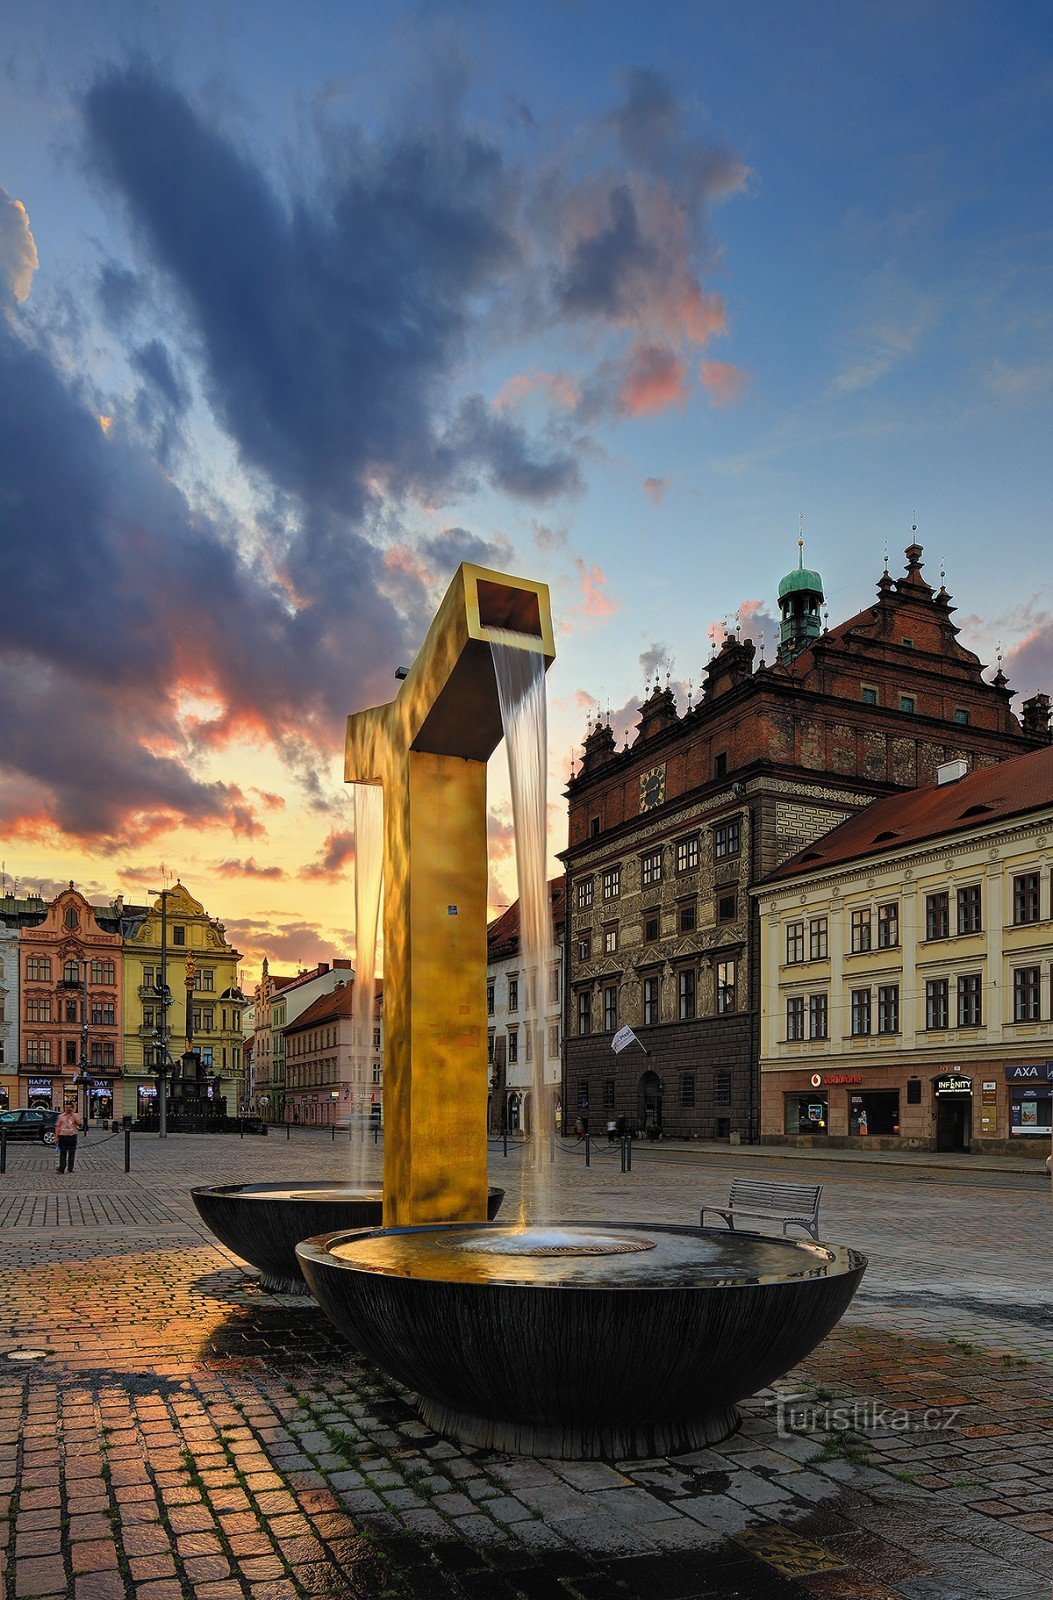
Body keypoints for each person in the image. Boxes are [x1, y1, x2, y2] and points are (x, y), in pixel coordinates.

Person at [55, 1107, 81, 1174]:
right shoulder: (61, 1116)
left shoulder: (75, 1115)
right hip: (63, 1137)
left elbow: (79, 1123)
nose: (68, 1109)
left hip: (72, 1136)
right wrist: (56, 1137)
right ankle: (62, 1169)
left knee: (72, 1153)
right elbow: (58, 1127)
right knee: (63, 1153)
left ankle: (70, 1168)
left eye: (69, 1107)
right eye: (66, 1107)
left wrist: (72, 1114)